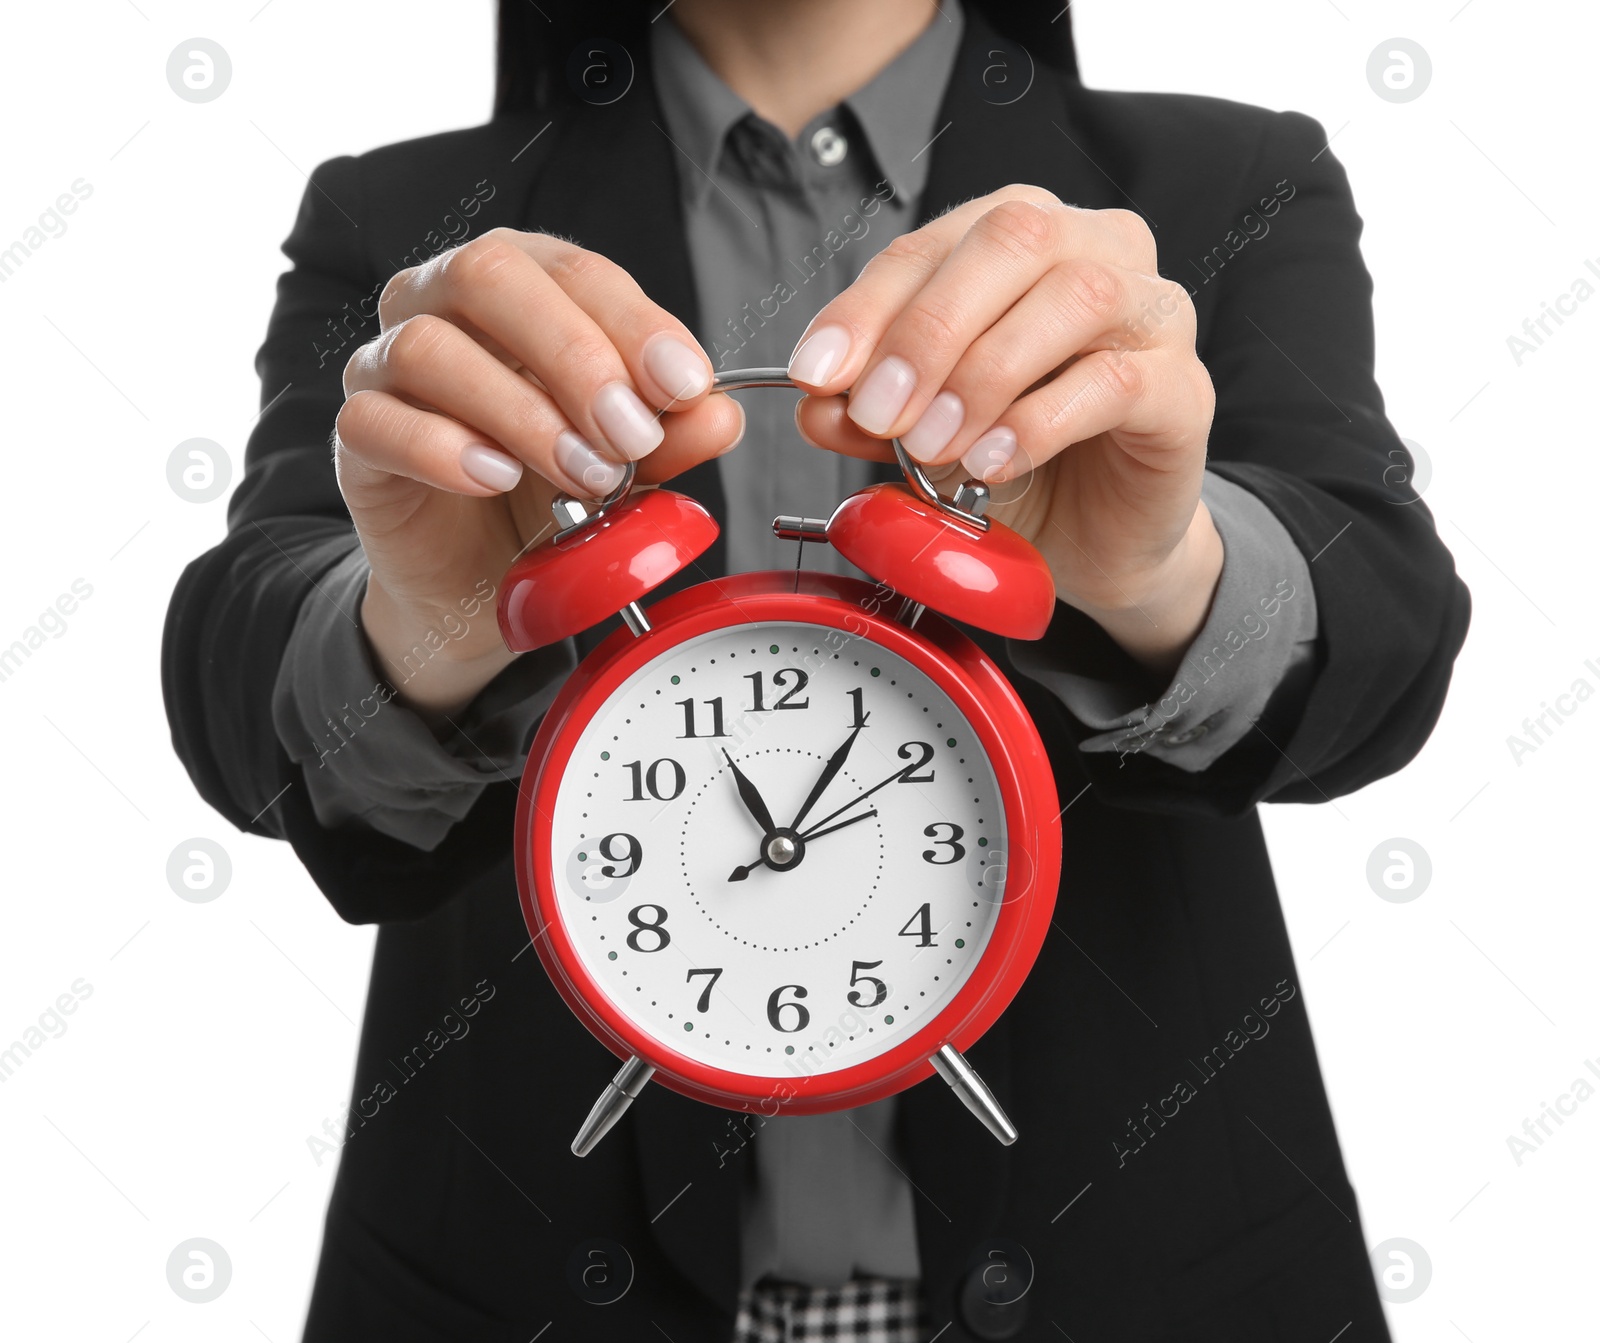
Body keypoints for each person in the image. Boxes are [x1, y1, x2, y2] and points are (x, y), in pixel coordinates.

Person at [162, 1, 1471, 1338]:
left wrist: (1164, 577)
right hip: (528, 1286)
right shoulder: (407, 222)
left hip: (1147, 1275)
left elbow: (1388, 633)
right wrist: (428, 623)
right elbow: (239, 671)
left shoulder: (1224, 187)